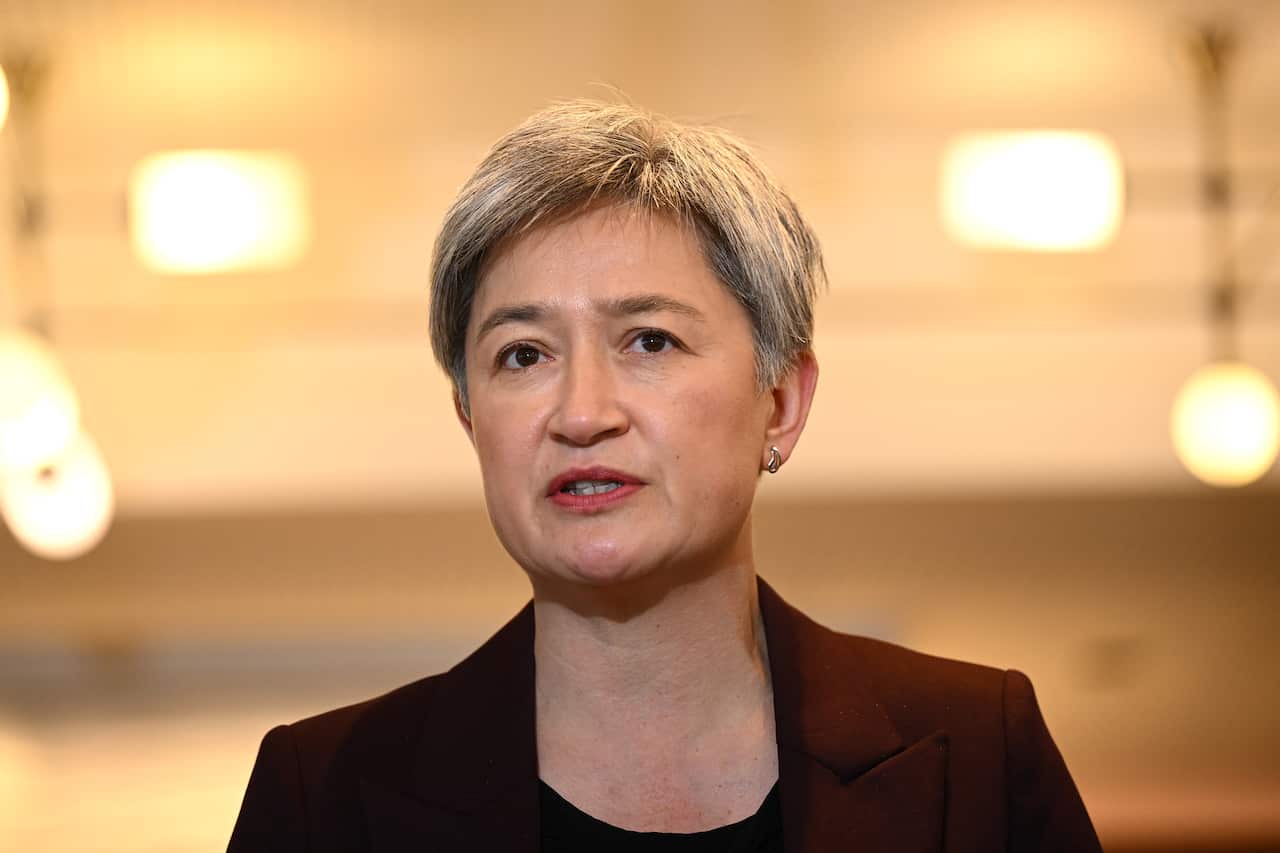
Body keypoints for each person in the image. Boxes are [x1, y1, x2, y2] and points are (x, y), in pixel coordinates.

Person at [228, 101, 1102, 852]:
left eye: (650, 340)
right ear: (470, 419)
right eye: (522, 354)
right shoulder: (325, 797)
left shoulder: (978, 754)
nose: (581, 412)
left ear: (782, 402)